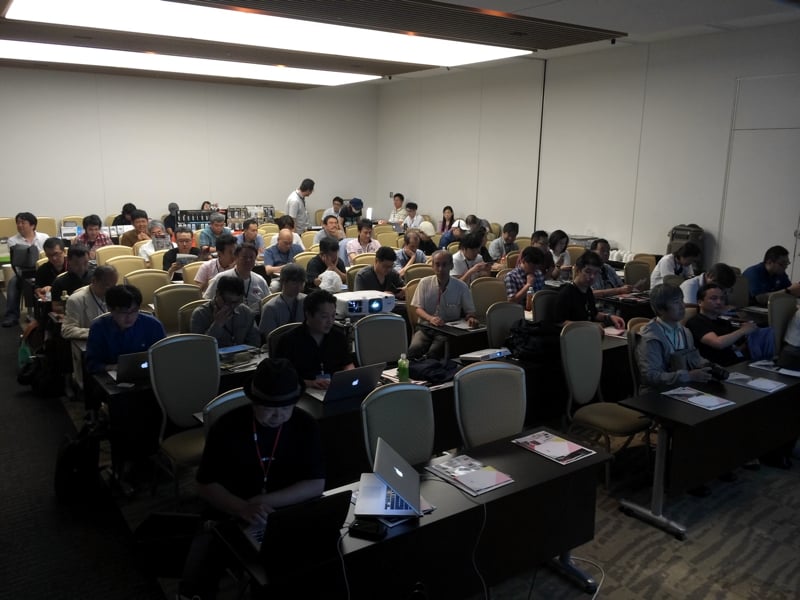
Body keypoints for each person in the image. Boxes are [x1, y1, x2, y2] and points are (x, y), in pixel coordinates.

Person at [179, 358, 324, 600]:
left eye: (286, 408)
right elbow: (205, 484)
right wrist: (242, 507)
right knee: (196, 580)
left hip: (285, 511)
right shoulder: (227, 426)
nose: (278, 415)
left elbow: (316, 483)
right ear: (254, 401)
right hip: (230, 511)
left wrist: (262, 502)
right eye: (269, 408)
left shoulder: (305, 425)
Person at [635, 283, 712, 392]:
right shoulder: (650, 338)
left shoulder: (685, 331)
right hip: (657, 394)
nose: (682, 306)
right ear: (661, 309)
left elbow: (694, 358)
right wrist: (688, 376)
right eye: (676, 302)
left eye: (682, 300)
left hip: (683, 388)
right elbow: (651, 376)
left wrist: (709, 366)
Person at [274, 290, 355, 388]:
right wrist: (309, 383)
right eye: (324, 316)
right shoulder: (288, 341)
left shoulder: (338, 336)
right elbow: (280, 377)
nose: (330, 321)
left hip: (334, 387)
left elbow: (347, 362)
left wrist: (350, 374)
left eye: (333, 315)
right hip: (302, 391)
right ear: (308, 314)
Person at [408, 250, 478, 359]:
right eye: (437, 265)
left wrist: (471, 318)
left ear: (451, 266)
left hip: (448, 331)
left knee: (434, 353)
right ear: (432, 266)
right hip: (426, 327)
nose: (441, 269)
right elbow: (418, 309)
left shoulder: (461, 286)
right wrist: (431, 318)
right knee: (414, 350)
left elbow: (470, 311)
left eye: (445, 265)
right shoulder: (424, 283)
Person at [85, 284, 166, 375]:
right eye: (123, 312)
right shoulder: (99, 328)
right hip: (110, 376)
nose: (129, 317)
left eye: (134, 311)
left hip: (149, 374)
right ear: (110, 309)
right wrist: (113, 367)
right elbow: (92, 365)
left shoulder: (153, 325)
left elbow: (163, 358)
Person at [62, 265, 119, 389]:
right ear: (94, 281)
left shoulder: (116, 295)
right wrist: (96, 333)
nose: (111, 290)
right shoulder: (76, 300)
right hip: (91, 347)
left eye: (114, 285)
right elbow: (67, 330)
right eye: (107, 285)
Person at [685, 283, 765, 366]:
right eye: (714, 298)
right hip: (718, 368)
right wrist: (743, 330)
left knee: (765, 333)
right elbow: (718, 343)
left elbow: (735, 348)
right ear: (700, 302)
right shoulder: (696, 322)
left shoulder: (724, 322)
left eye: (722, 298)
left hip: (738, 363)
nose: (719, 302)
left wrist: (750, 340)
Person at [555, 251, 625, 330]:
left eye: (596, 273)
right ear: (577, 270)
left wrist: (610, 317)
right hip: (572, 335)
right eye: (588, 272)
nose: (592, 276)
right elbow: (560, 322)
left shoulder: (588, 291)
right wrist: (589, 326)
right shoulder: (566, 293)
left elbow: (594, 314)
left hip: (587, 332)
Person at [2, 212, 51, 327]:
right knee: (13, 283)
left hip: (43, 270)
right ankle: (12, 315)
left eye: (23, 223)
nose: (19, 225)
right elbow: (17, 261)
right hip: (23, 272)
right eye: (18, 223)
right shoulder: (13, 240)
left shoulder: (44, 237)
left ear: (32, 225)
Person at [192, 275, 260, 348]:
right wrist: (217, 325)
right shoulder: (200, 314)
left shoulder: (245, 312)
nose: (232, 306)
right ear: (217, 293)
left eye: (236, 302)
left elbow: (255, 342)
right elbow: (200, 348)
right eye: (228, 301)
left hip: (243, 354)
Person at [204, 243, 268, 313]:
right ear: (236, 258)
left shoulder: (260, 280)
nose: (248, 260)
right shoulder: (221, 278)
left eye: (251, 257)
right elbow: (207, 301)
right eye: (244, 257)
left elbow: (267, 301)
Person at [259, 264, 306, 340]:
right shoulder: (270, 307)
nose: (299, 287)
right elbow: (270, 337)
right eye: (294, 283)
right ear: (283, 282)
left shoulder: (307, 301)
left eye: (301, 283)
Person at [50, 244, 91, 312]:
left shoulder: (95, 277)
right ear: (68, 261)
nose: (82, 268)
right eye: (76, 264)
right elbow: (55, 306)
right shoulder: (59, 282)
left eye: (85, 263)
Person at [32, 237, 66, 303]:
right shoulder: (42, 269)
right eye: (49, 255)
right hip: (51, 303)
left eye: (56, 254)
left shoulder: (73, 267)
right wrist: (40, 291)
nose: (54, 258)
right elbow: (37, 288)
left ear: (64, 252)